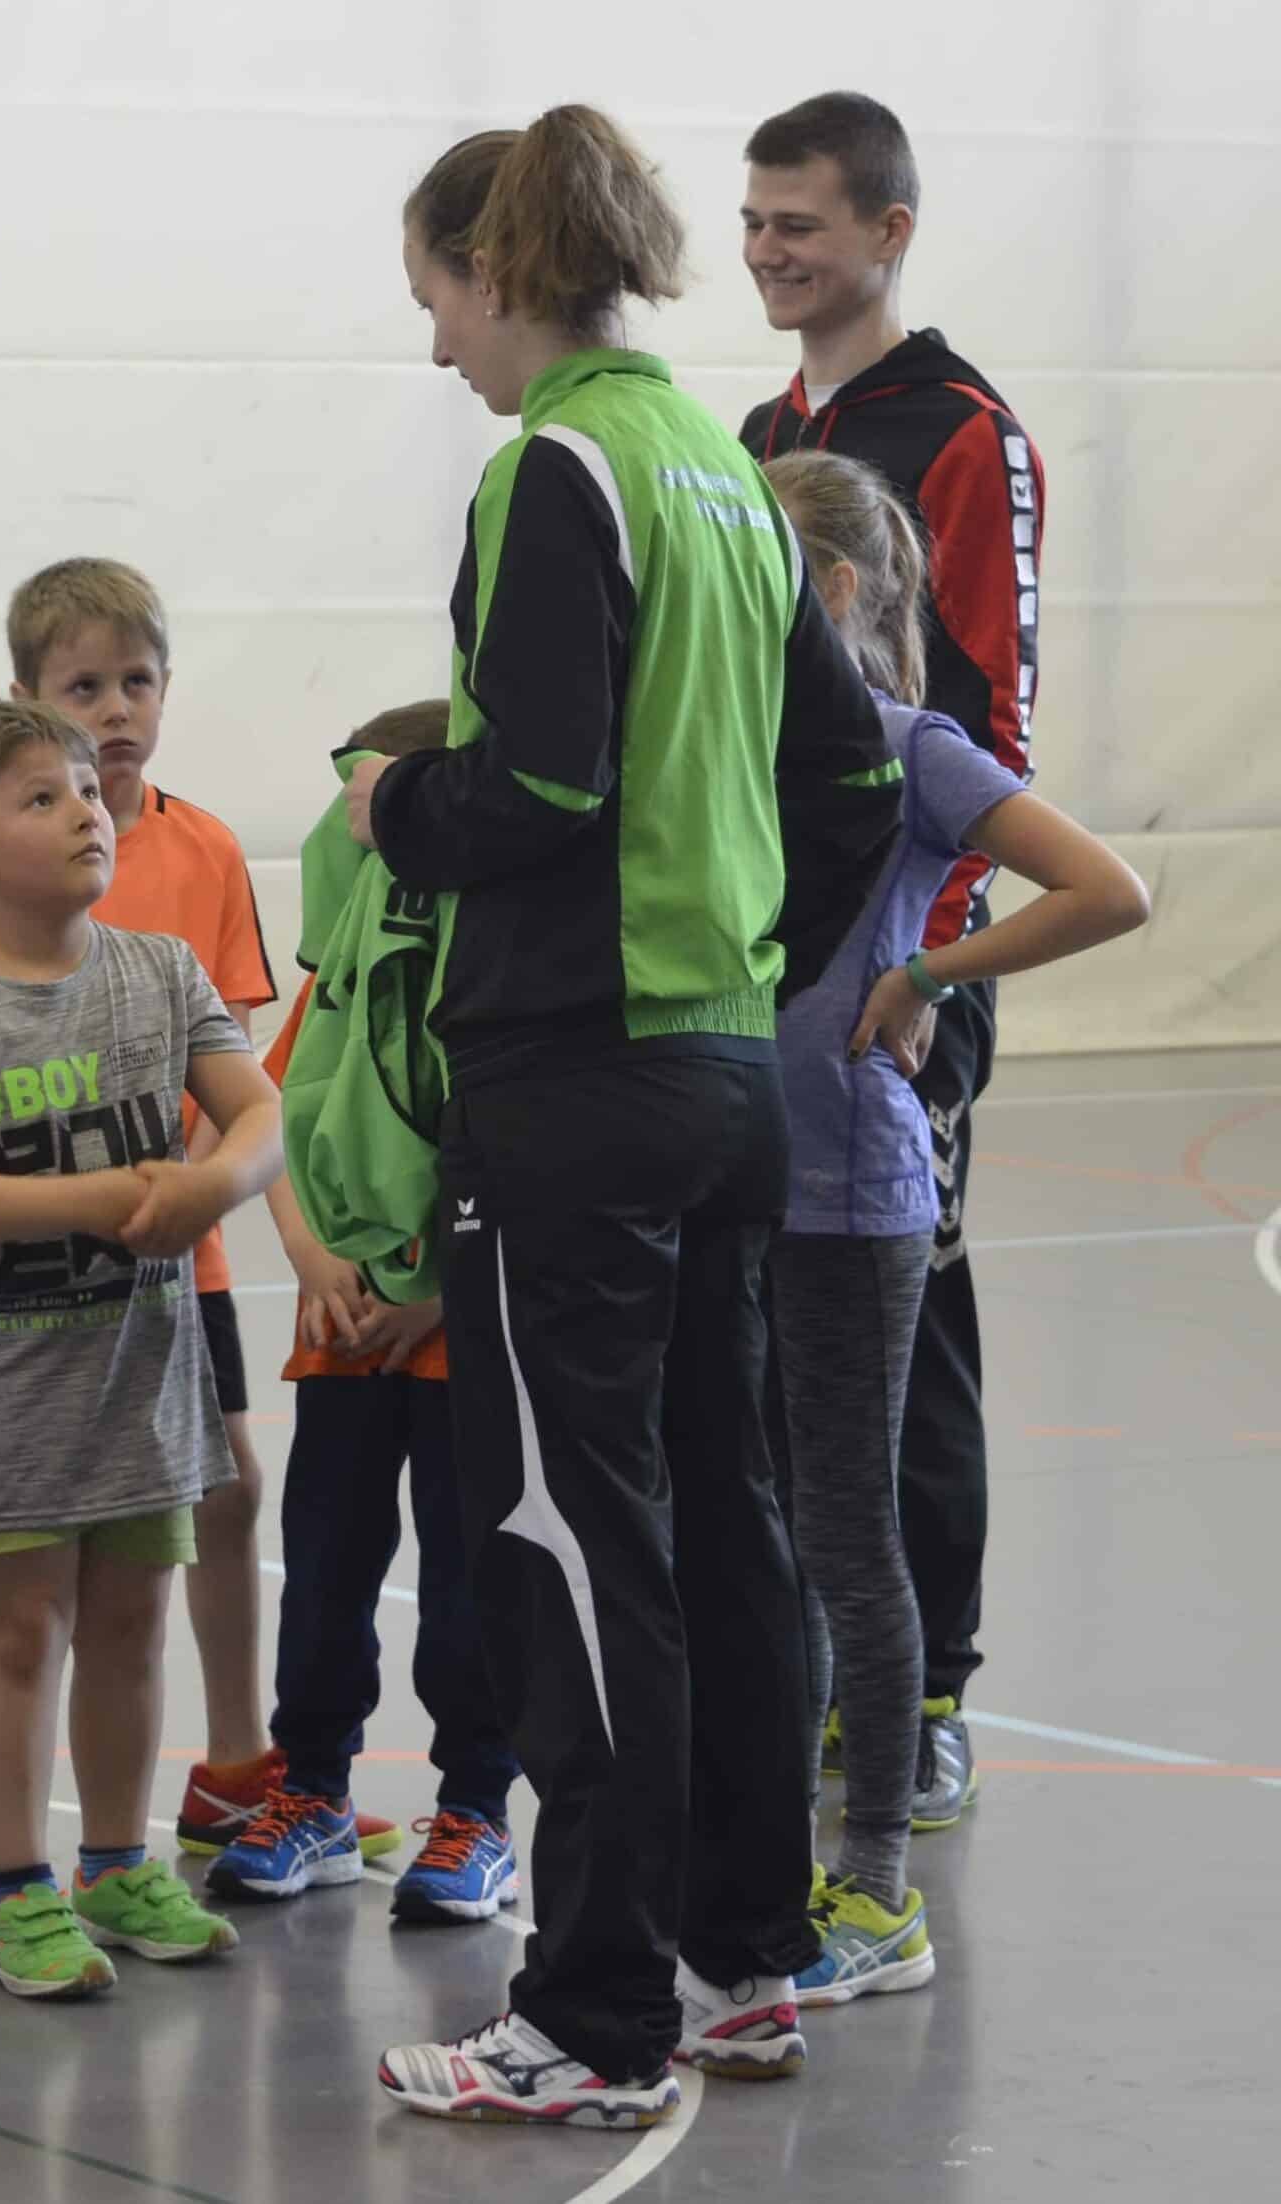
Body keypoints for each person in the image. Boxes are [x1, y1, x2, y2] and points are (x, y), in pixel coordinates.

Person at [347, 107, 903, 2128]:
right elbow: (853, 782)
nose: (437, 347)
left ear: (497, 269)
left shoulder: (559, 467)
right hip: (721, 1080)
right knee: (725, 1527)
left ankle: (589, 2013)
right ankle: (744, 1958)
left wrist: (396, 805)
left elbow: (541, 789)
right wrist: (750, 970)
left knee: (571, 1539)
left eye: (435, 297)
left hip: (575, 1089)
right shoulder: (726, 472)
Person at [0, 558, 400, 1868]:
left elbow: (233, 1063)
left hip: (171, 1253)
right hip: (30, 1280)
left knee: (225, 1489)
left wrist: (179, 1191)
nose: (115, 710)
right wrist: (73, 1200)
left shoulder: (202, 850)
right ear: (27, 695)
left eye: (136, 682)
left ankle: (237, 1761)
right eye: (83, 687)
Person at [761, 449, 1146, 2001]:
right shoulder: (742, 740)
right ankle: (773, 1872)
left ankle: (876, 1894)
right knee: (774, 1540)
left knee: (850, 1541)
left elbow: (1105, 888)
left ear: (836, 588)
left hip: (856, 1198)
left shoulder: (911, 747)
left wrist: (927, 974)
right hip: (743, 1189)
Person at [0, 697, 284, 2000]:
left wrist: (215, 1185)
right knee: (18, 1632)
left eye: (85, 791)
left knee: (130, 1627)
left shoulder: (160, 972)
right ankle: (18, 1888)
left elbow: (258, 1110)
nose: (85, 812)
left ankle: (115, 1863)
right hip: (10, 1389)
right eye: (41, 798)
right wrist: (92, 1199)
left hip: (144, 1380)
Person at [741, 92, 1047, 1822]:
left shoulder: (965, 430)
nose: (770, 252)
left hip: (902, 963)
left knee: (906, 1327)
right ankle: (815, 1671)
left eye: (801, 223)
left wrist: (922, 968)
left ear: (889, 230)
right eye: (755, 223)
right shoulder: (757, 432)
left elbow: (985, 716)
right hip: (767, 970)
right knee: (779, 1334)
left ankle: (927, 1691)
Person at [207, 702, 522, 1924]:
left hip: (458, 1334)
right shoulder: (346, 973)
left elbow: (532, 1167)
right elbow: (275, 1114)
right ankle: (313, 1792)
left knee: (467, 1584)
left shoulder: (503, 968)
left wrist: (436, 1294)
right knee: (326, 1572)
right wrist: (311, 1255)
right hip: (341, 1332)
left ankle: (475, 1809)